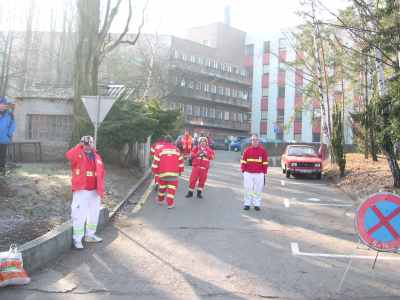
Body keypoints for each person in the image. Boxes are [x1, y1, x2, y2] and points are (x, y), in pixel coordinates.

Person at [65, 136, 105, 249]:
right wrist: (79, 145)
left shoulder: (96, 156)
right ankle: (77, 239)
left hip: (95, 191)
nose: (88, 144)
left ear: (93, 144)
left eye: (90, 142)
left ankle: (90, 235)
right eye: (86, 143)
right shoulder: (78, 154)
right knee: (79, 215)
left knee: (93, 214)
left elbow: (101, 172)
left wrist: (100, 188)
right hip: (81, 190)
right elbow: (69, 156)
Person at [152, 135, 184, 209]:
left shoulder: (160, 149)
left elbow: (156, 161)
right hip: (174, 174)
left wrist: (154, 171)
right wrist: (180, 171)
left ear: (164, 141)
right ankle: (170, 204)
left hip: (162, 173)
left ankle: (160, 201)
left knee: (162, 188)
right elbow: (181, 162)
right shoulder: (177, 150)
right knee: (171, 189)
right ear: (172, 141)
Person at [240, 134, 269, 211]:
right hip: (248, 173)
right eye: (253, 140)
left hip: (259, 174)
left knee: (258, 189)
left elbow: (265, 163)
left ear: (258, 141)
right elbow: (243, 161)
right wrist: (243, 170)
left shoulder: (263, 151)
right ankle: (247, 204)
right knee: (248, 189)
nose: (254, 141)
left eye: (256, 140)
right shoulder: (247, 150)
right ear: (251, 141)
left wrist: (264, 172)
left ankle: (257, 204)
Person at [0, 97, 16, 176]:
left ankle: (2, 171)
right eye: (1, 104)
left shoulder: (9, 114)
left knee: (2, 155)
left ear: (6, 106)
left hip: (4, 138)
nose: (2, 106)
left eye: (4, 105)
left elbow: (12, 125)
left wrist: (9, 134)